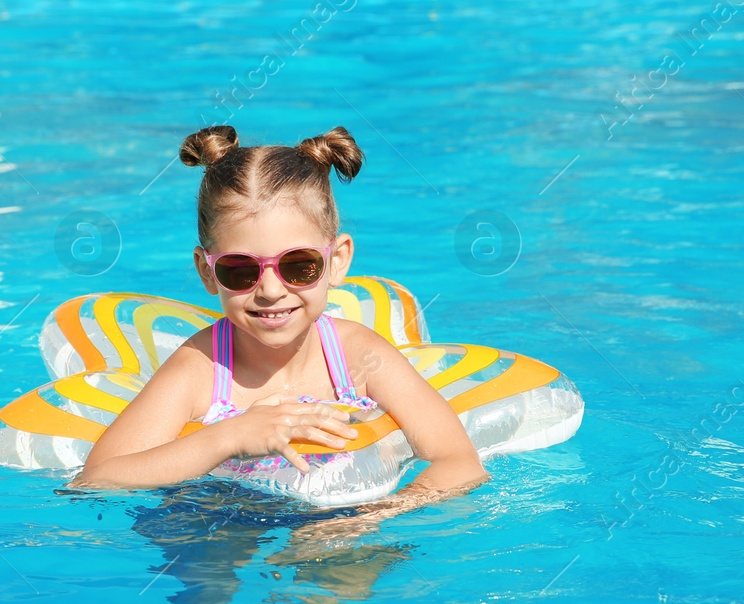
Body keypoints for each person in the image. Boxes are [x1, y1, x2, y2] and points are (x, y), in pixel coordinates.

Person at [71, 125, 488, 513]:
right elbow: (98, 479)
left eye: (298, 265)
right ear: (206, 271)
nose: (270, 290)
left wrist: (371, 516)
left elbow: (458, 460)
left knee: (341, 571)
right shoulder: (199, 370)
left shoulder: (359, 355)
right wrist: (229, 437)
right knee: (206, 579)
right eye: (240, 269)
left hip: (347, 520)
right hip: (219, 514)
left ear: (337, 260)